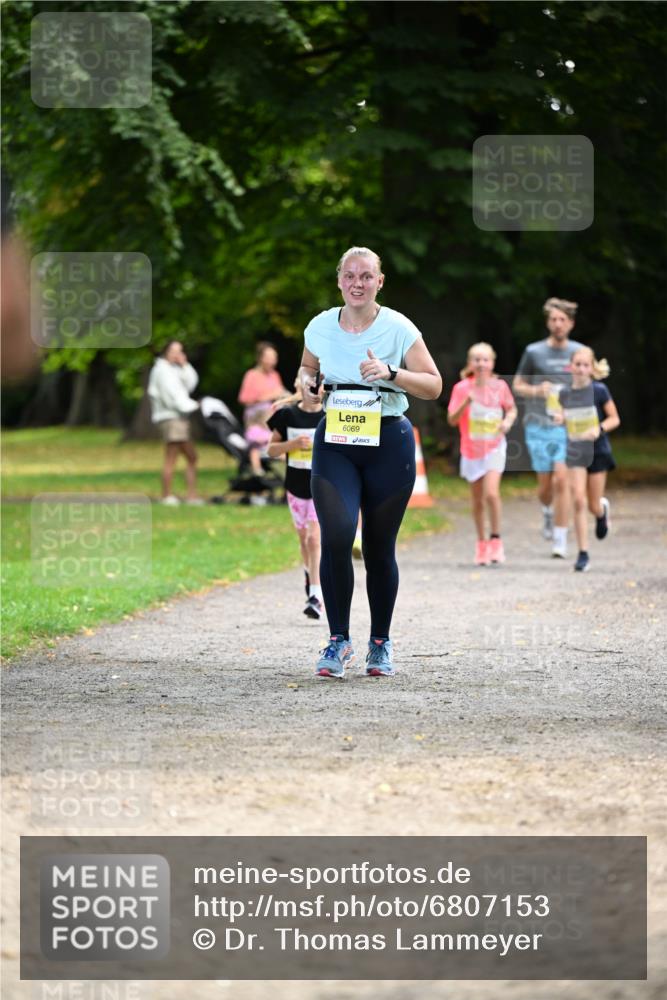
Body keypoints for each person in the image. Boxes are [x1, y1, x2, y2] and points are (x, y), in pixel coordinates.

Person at [300, 246, 442, 679]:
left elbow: (434, 385)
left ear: (380, 281)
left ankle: (379, 643)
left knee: (379, 547)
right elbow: (306, 371)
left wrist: (391, 373)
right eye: (349, 275)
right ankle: (337, 641)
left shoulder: (398, 327)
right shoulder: (321, 326)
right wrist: (309, 389)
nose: (357, 283)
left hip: (388, 444)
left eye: (366, 276)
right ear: (339, 279)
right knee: (338, 535)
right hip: (337, 442)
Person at [513, 297, 585, 558]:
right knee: (545, 485)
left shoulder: (579, 352)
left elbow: (589, 386)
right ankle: (546, 510)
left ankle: (561, 538)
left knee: (562, 479)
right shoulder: (534, 352)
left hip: (567, 426)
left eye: (562, 320)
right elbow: (517, 385)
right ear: (548, 322)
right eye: (553, 319)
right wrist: (537, 390)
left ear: (571, 323)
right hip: (538, 424)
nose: (557, 324)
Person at [447, 343, 517, 566]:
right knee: (477, 500)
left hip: (495, 446)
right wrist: (466, 401)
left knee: (491, 494)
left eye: (485, 359)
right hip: (471, 449)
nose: (481, 364)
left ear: (492, 363)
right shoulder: (461, 388)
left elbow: (512, 408)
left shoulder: (500, 386)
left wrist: (507, 421)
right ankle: (481, 544)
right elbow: (452, 420)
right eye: (476, 359)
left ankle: (496, 540)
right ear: (470, 363)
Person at [553, 347, 620, 572]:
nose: (581, 369)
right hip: (576, 451)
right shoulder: (564, 393)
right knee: (578, 500)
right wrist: (560, 418)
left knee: (592, 503)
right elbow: (564, 417)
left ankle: (601, 512)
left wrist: (599, 428)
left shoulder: (599, 390)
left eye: (585, 365)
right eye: (577, 364)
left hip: (598, 450)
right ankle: (583, 553)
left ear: (591, 368)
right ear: (570, 367)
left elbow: (614, 419)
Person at [267, 369, 324, 619]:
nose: (315, 389)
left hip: (322, 486)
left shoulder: (331, 417)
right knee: (303, 539)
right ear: (298, 385)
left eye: (319, 385)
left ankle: (316, 596)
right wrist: (292, 445)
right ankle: (309, 575)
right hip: (295, 487)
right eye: (310, 384)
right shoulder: (287, 415)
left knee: (314, 539)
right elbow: (271, 450)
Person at [147, 340, 203, 505]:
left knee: (191, 457)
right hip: (171, 418)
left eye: (180, 351)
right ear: (166, 351)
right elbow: (171, 397)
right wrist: (193, 406)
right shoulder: (161, 370)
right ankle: (167, 495)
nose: (177, 354)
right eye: (174, 351)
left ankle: (191, 495)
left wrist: (185, 365)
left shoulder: (175, 369)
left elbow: (190, 384)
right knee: (173, 457)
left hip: (179, 418)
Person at [238, 342, 287, 477]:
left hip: (273, 418)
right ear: (261, 358)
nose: (273, 361)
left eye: (274, 358)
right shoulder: (252, 375)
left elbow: (281, 394)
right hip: (257, 419)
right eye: (269, 357)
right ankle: (258, 471)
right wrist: (267, 397)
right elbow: (244, 399)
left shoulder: (275, 375)